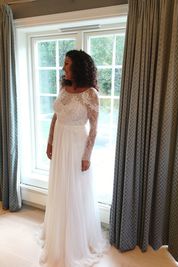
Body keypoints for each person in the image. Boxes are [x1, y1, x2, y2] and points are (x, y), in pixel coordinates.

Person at [39, 50, 107, 267]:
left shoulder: (90, 94)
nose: (63, 68)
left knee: (75, 191)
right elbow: (55, 116)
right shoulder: (64, 88)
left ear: (78, 66)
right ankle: (57, 234)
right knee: (60, 188)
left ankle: (75, 241)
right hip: (60, 142)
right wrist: (50, 141)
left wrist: (87, 156)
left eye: (67, 64)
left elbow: (94, 128)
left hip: (77, 145)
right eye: (64, 63)